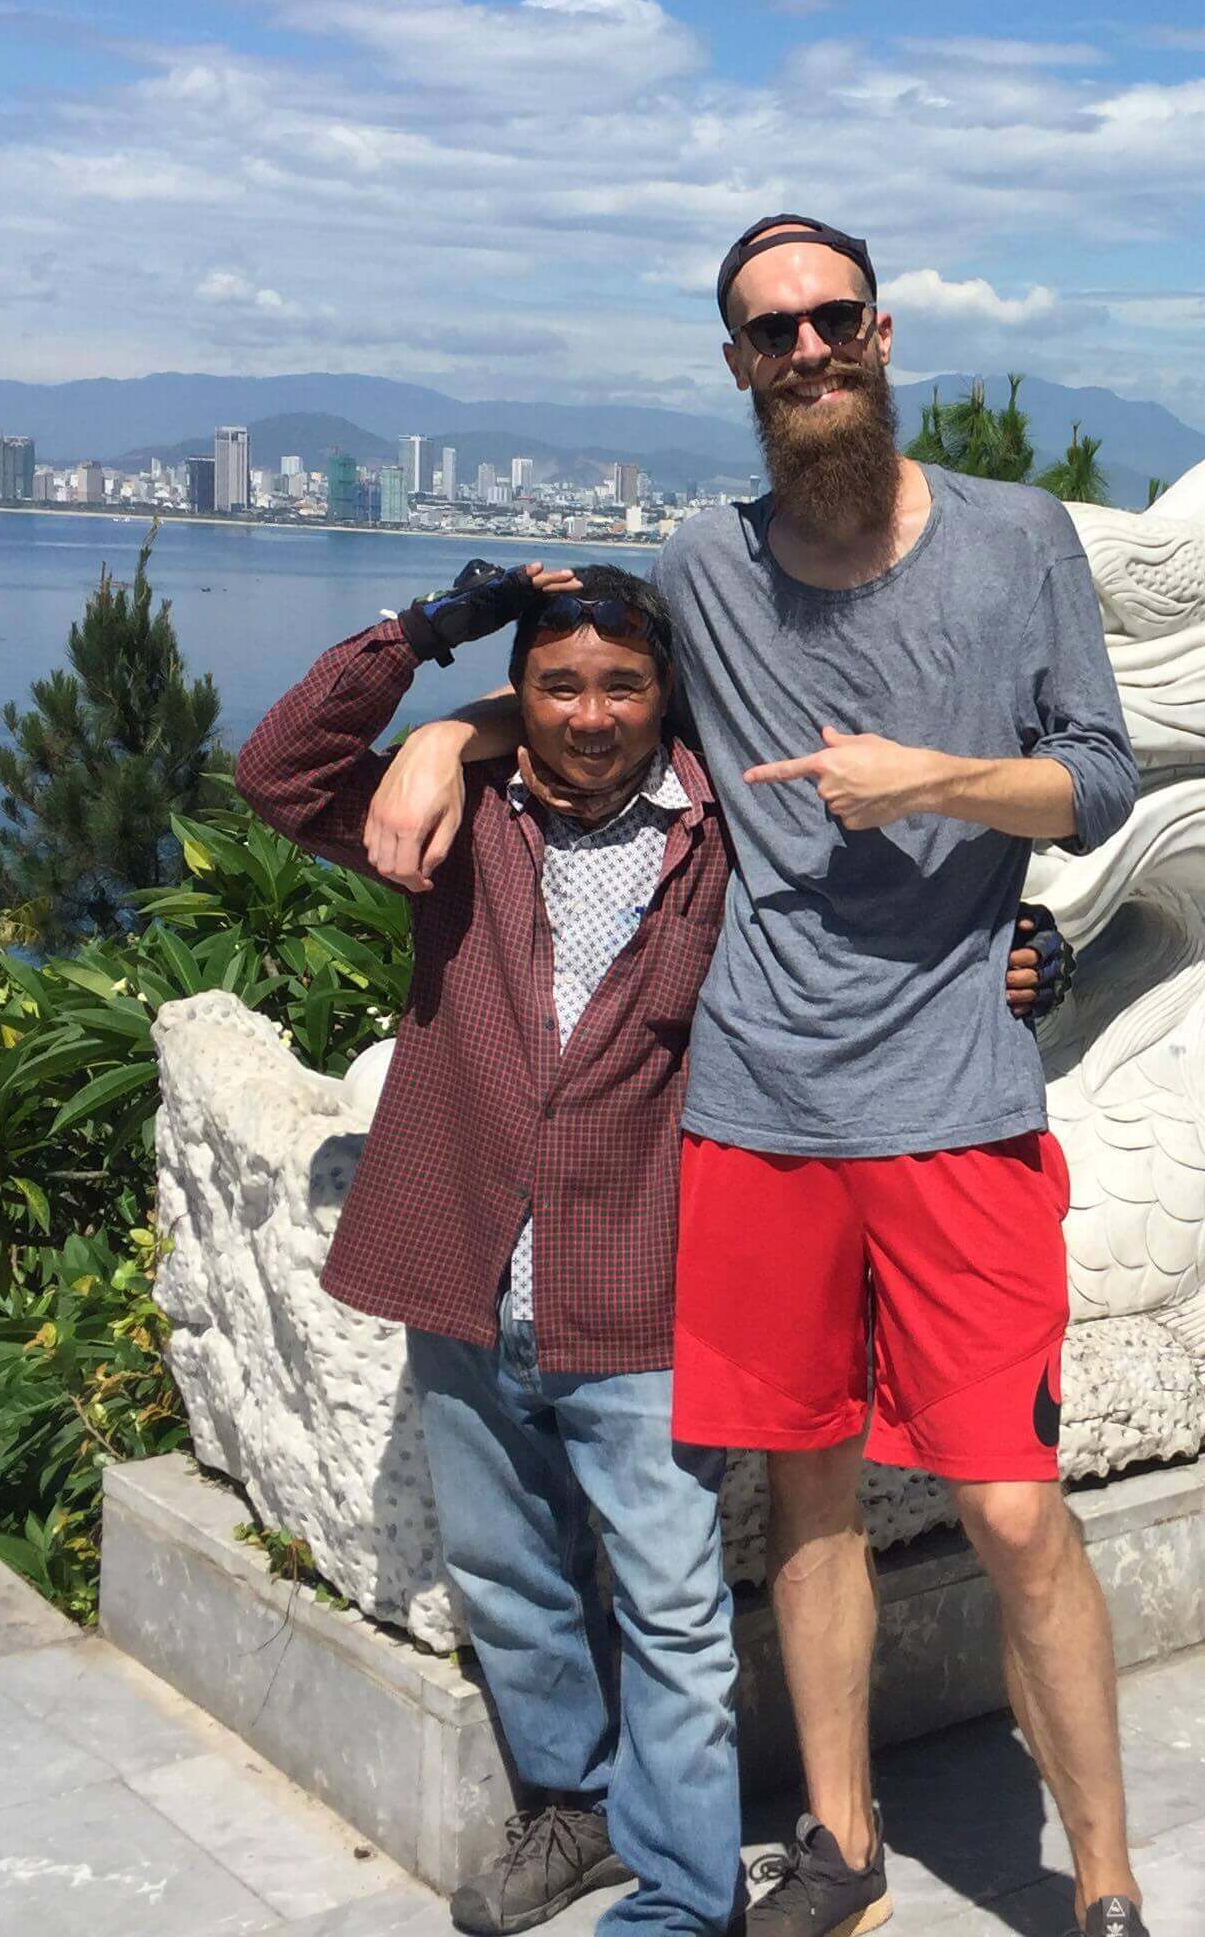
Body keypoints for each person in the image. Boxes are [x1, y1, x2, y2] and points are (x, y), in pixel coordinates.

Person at [377, 213, 1152, 1937]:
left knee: (1014, 1510)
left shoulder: (1020, 539)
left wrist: (937, 780)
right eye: (768, 331)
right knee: (798, 1494)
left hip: (954, 1101)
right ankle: (842, 1841)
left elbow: (1097, 779)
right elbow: (598, 706)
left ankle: (1099, 1880)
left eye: (830, 318)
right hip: (746, 1115)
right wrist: (444, 729)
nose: (806, 350)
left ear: (883, 331)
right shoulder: (702, 561)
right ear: (736, 367)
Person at [237, 557, 1064, 1937]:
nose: (590, 712)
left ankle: (684, 1897)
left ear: (666, 691)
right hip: (462, 1265)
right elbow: (279, 771)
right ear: (524, 690)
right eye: (557, 685)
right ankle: (577, 1812)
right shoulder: (460, 818)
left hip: (643, 1285)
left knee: (676, 1614)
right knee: (508, 1577)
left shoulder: (731, 834)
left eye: (623, 683)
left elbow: (896, 912)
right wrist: (441, 664)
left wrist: (1029, 945)